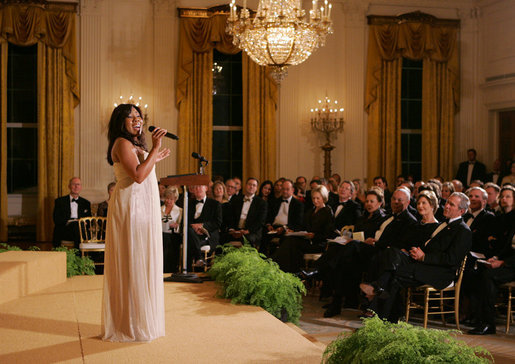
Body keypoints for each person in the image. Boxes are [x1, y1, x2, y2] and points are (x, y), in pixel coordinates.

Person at [102, 104, 169, 342]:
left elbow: (144, 171)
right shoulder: (122, 143)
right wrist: (156, 148)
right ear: (120, 121)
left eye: (139, 116)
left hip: (143, 207)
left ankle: (141, 318)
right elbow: (138, 176)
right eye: (130, 116)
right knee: (132, 262)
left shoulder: (136, 145)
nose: (137, 119)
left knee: (142, 260)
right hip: (130, 208)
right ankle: (128, 323)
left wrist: (152, 155)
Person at [360, 192, 472, 322]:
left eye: (451, 204)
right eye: (447, 202)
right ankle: (384, 317)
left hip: (441, 272)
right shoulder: (444, 224)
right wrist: (417, 252)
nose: (446, 206)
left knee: (393, 274)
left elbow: (452, 259)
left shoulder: (463, 231)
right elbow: (431, 246)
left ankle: (377, 305)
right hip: (424, 264)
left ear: (461, 211)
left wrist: (424, 257)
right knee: (392, 253)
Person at [468, 185, 515, 335]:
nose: (505, 199)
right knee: (483, 271)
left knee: (489, 277)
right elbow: (509, 246)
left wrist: (503, 262)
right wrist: (496, 258)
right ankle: (481, 319)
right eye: (504, 196)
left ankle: (488, 323)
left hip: (512, 265)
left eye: (509, 196)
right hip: (510, 263)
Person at [272, 185, 335, 273]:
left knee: (291, 242)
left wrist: (314, 236)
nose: (315, 201)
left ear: (324, 198)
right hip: (306, 240)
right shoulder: (311, 211)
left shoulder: (328, 212)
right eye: (313, 198)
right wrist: (294, 231)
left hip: (317, 243)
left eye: (318, 198)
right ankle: (285, 269)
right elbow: (303, 226)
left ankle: (278, 267)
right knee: (288, 239)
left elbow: (328, 234)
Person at [223, 178, 267, 248]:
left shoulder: (261, 203)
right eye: (249, 184)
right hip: (236, 230)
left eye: (254, 185)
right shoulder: (236, 199)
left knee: (246, 240)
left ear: (256, 188)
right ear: (245, 186)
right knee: (223, 237)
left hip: (251, 232)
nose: (251, 186)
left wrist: (247, 231)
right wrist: (232, 229)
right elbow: (231, 217)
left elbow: (260, 221)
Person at [52, 177, 92, 249]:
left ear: (81, 187)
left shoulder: (86, 203)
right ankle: (79, 256)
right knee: (76, 226)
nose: (76, 187)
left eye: (78, 184)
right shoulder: (60, 201)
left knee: (78, 227)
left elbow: (89, 220)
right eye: (74, 184)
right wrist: (70, 221)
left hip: (80, 229)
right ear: (69, 186)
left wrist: (83, 222)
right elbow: (56, 219)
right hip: (65, 230)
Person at [161, 187, 182, 273]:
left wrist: (177, 225)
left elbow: (181, 226)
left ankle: (171, 270)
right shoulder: (159, 209)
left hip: (173, 236)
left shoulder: (179, 211)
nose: (168, 201)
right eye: (167, 198)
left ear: (175, 199)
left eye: (171, 199)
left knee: (169, 241)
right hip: (160, 235)